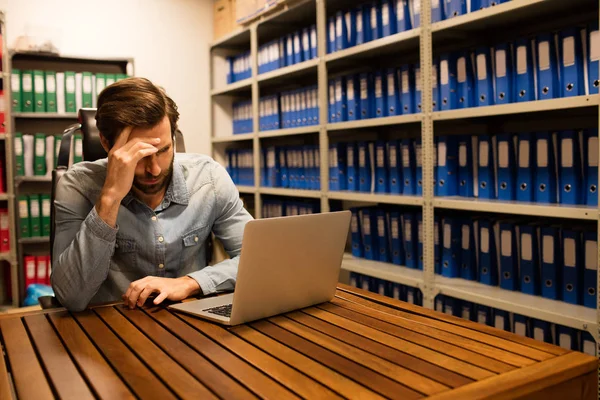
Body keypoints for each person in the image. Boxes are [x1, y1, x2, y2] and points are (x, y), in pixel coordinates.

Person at [51, 77, 252, 312]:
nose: (154, 169)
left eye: (164, 150)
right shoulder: (77, 185)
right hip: (108, 328)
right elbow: (70, 296)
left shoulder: (208, 179)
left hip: (191, 325)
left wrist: (190, 283)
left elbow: (258, 259)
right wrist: (111, 197)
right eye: (140, 154)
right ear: (106, 143)